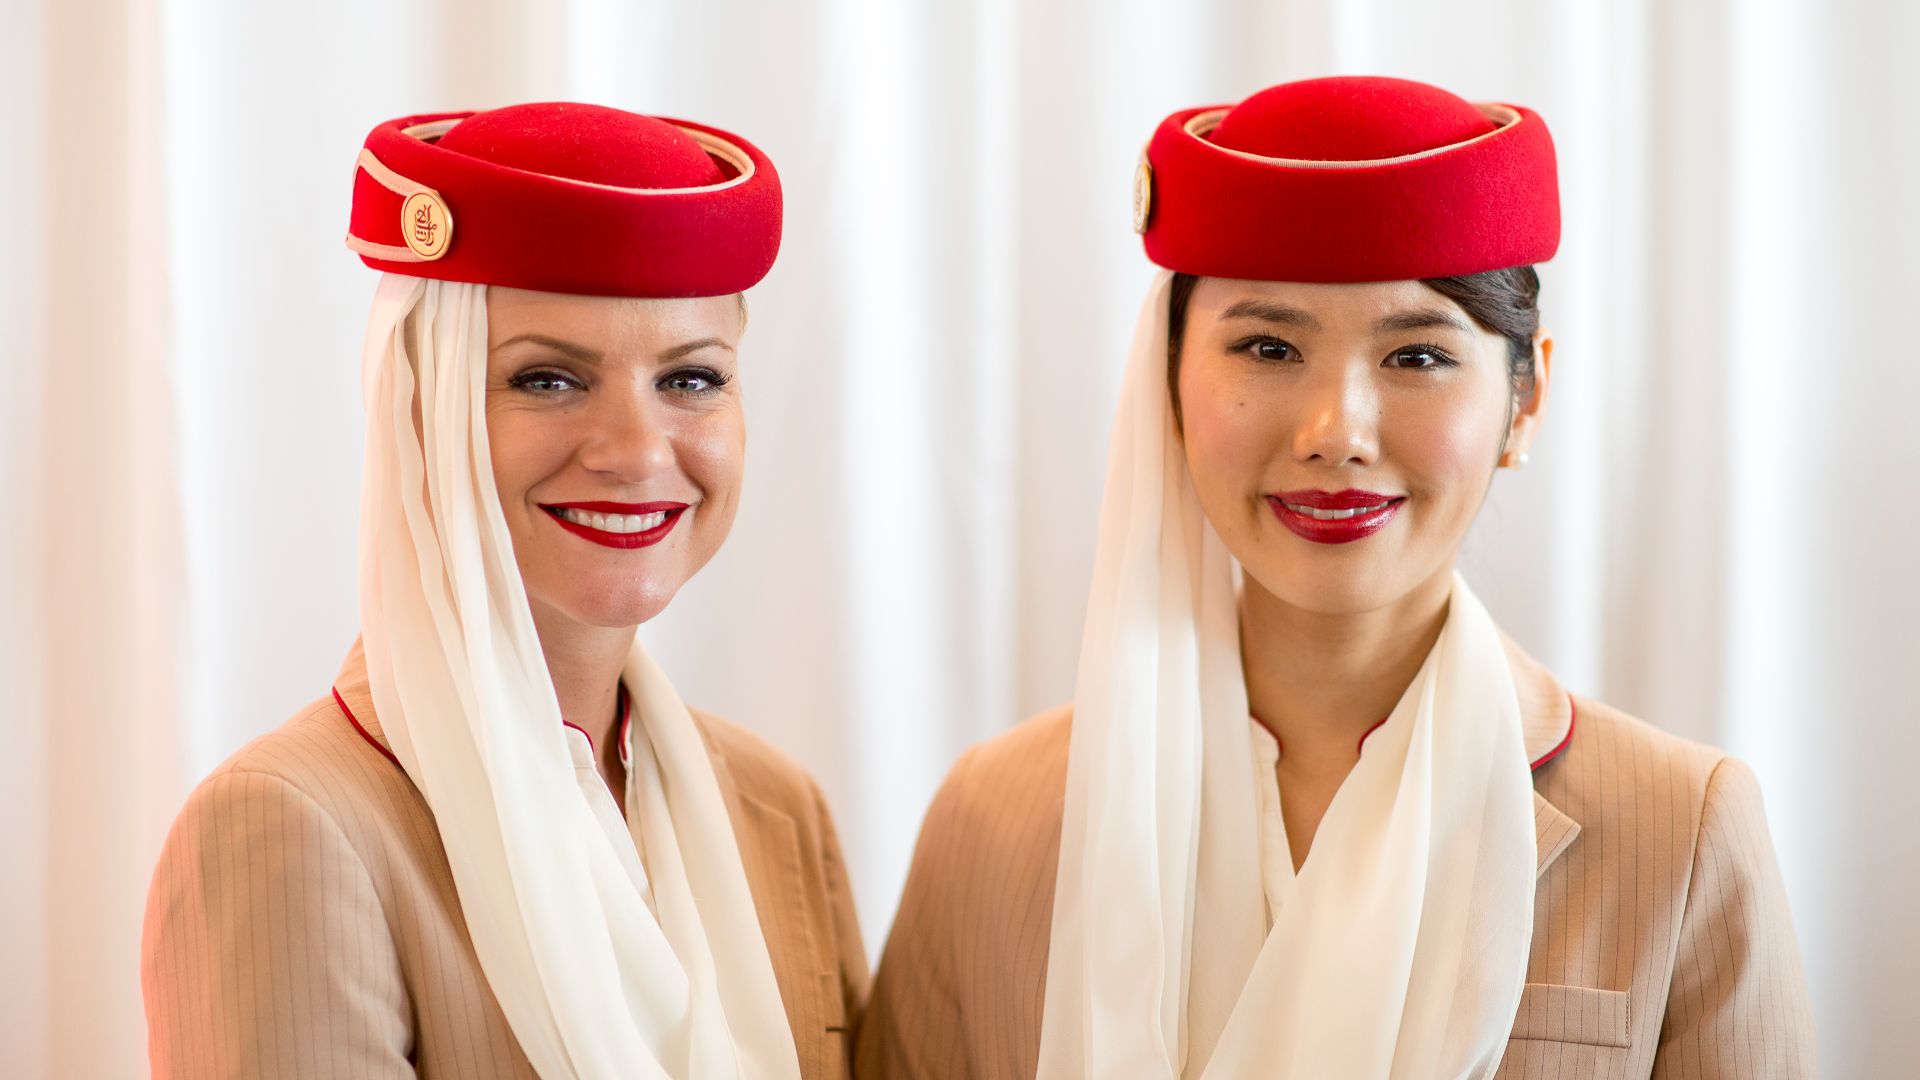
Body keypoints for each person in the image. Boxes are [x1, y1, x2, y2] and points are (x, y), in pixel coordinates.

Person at [857, 76, 1817, 1078]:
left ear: (1526, 398)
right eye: (1269, 347)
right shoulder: (993, 823)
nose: (1337, 435)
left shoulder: (1683, 830)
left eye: (1417, 357)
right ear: (1167, 383)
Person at [141, 102, 866, 1079]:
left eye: (691, 380)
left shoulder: (778, 813)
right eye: (548, 381)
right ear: (420, 412)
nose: (636, 452)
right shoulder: (291, 830)